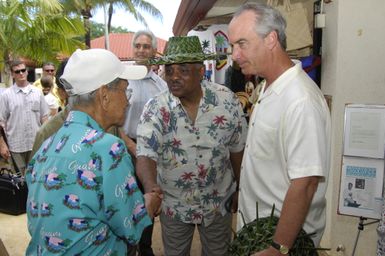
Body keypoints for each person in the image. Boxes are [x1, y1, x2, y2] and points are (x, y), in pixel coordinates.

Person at [25, 48, 162, 255]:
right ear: (104, 96)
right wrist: (151, 202)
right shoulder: (108, 149)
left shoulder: (48, 145)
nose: (128, 100)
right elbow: (131, 226)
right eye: (126, 91)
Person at [228, 3, 331, 255]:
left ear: (271, 39)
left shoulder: (300, 100)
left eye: (242, 44)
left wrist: (279, 247)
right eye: (232, 46)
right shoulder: (268, 87)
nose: (234, 55)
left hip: (282, 241)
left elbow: (305, 183)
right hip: (258, 234)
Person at [136, 36, 247, 255]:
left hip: (217, 202)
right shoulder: (156, 108)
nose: (174, 77)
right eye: (169, 70)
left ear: (200, 71)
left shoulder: (226, 101)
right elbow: (145, 155)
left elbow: (238, 149)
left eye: (183, 70)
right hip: (174, 204)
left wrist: (241, 189)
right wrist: (152, 190)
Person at [123, 30, 168, 256]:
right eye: (138, 46)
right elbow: (114, 121)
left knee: (149, 197)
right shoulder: (122, 81)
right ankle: (129, 248)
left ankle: (146, 246)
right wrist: (131, 147)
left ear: (153, 50)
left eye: (146, 46)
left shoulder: (162, 85)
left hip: (152, 151)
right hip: (125, 147)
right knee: (127, 199)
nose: (141, 50)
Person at [0, 60, 49, 175]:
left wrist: (47, 141)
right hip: (16, 146)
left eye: (23, 70)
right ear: (12, 74)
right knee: (20, 180)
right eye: (17, 72)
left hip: (36, 144)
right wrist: (2, 145)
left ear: (27, 72)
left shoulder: (38, 92)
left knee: (37, 176)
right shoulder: (6, 95)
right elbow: (1, 122)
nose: (21, 73)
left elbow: (45, 118)